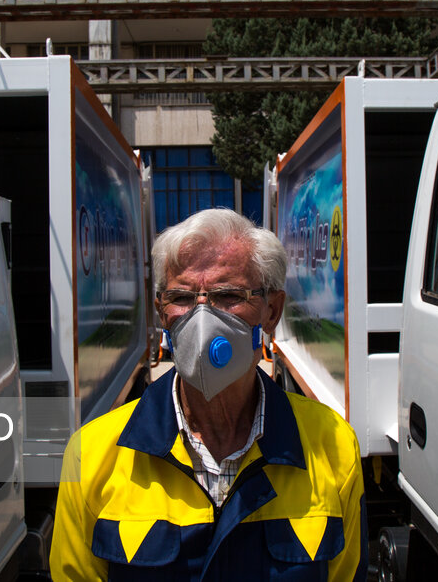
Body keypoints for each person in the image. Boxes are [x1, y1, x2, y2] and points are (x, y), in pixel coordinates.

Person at [50, 208, 367, 581]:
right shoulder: (92, 457)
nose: (202, 317)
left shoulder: (332, 447)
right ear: (161, 313)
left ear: (271, 311)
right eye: (181, 297)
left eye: (227, 295)